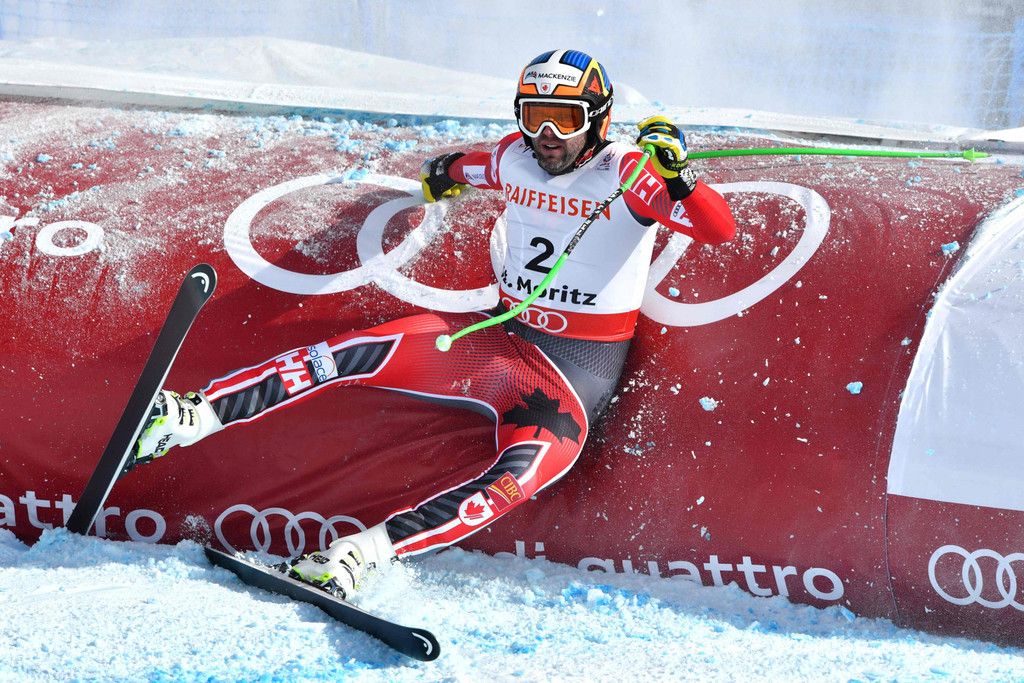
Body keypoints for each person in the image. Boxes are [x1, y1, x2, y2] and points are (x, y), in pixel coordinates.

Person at [129, 49, 736, 599]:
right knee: (349, 352)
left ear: (599, 119)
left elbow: (718, 228)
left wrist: (680, 176)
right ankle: (190, 417)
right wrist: (439, 176)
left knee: (508, 484)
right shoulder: (514, 156)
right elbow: (465, 168)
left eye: (565, 119)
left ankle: (358, 557)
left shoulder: (630, 175)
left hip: (568, 382)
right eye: (534, 117)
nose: (548, 137)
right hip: (494, 344)